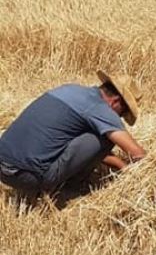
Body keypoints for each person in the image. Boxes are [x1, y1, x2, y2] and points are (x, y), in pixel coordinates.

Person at [0, 70, 146, 201]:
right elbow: (138, 154)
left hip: (3, 166)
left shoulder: (69, 89)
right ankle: (67, 189)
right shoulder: (100, 109)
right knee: (105, 138)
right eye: (122, 112)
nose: (119, 117)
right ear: (116, 102)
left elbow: (80, 149)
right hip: (27, 176)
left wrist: (121, 165)